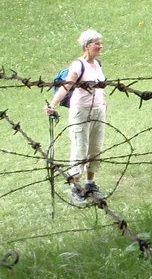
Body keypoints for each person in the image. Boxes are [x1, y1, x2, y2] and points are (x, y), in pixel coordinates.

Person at [44, 29, 108, 206]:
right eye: (96, 43)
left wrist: (104, 103)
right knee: (80, 148)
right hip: (81, 112)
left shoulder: (98, 64)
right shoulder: (78, 65)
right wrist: (53, 104)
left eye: (100, 43)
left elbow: (101, 88)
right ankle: (75, 187)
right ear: (87, 46)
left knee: (96, 148)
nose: (100, 46)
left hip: (98, 111)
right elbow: (66, 87)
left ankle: (90, 183)